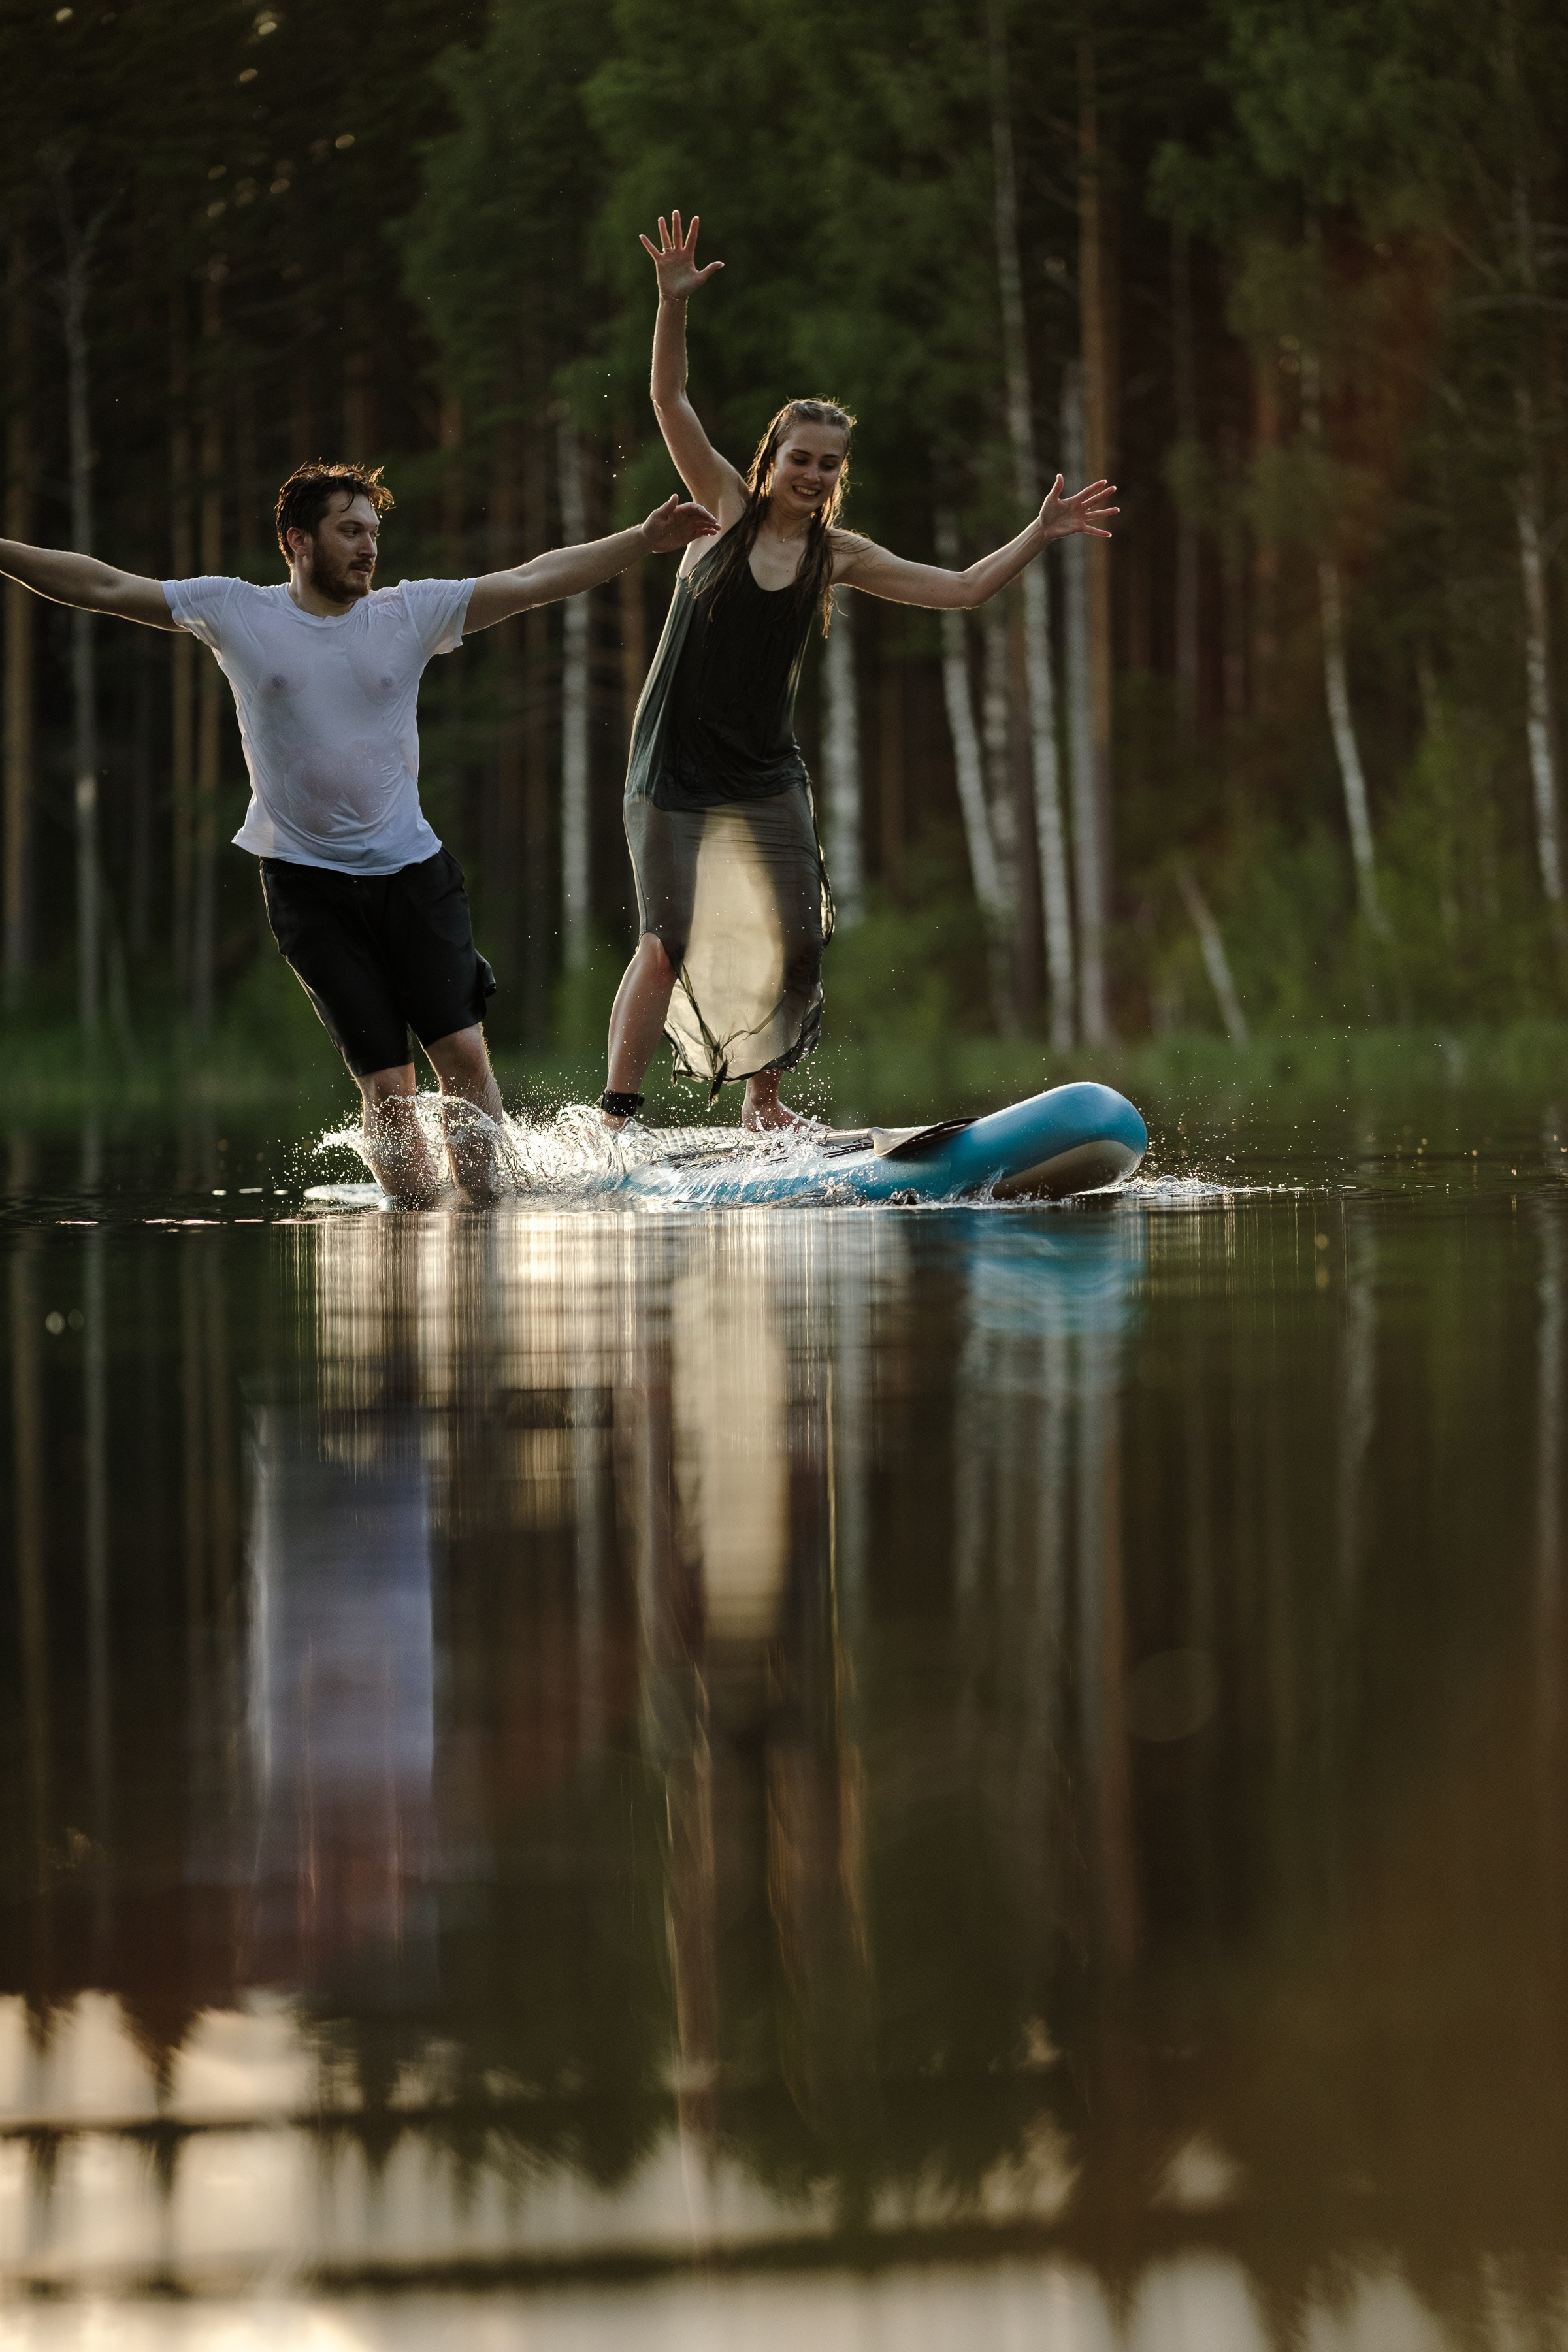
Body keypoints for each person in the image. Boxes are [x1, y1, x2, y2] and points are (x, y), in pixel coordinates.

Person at [0, 462, 716, 1202]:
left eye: (373, 533)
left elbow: (535, 579)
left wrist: (640, 538)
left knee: (465, 1059)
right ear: (297, 541)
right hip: (306, 887)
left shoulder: (408, 613)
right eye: (350, 532)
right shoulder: (237, 610)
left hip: (413, 873)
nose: (368, 548)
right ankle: (411, 1237)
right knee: (388, 1087)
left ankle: (487, 1223)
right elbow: (103, 586)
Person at [599, 212, 1118, 1134]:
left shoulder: (838, 554)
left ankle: (765, 1105)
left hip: (763, 771)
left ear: (838, 476)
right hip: (673, 764)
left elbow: (960, 590)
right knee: (666, 941)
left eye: (827, 465)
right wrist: (671, 307)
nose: (811, 472)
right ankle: (618, 1117)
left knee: (799, 934)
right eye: (799, 458)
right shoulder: (724, 510)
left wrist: (1038, 535)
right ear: (772, 459)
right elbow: (670, 403)